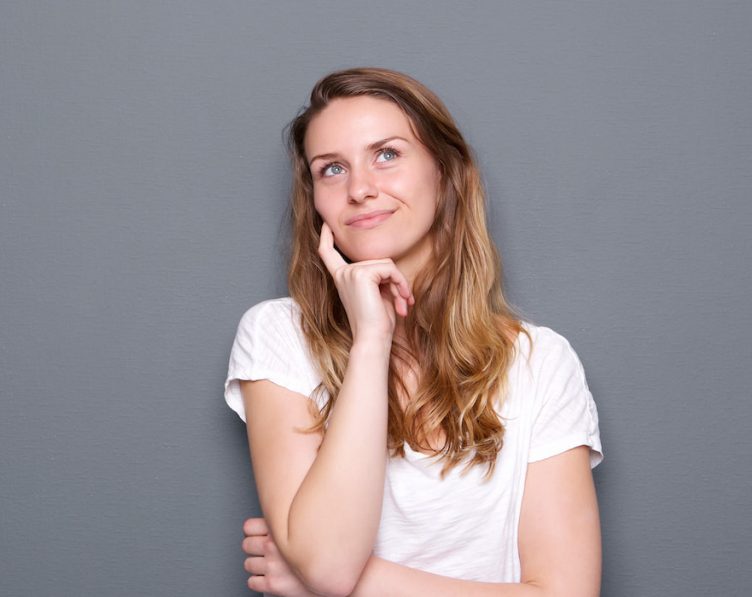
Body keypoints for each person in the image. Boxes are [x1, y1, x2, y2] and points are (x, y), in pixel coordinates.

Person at [223, 67, 603, 597]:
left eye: (387, 155)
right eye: (331, 169)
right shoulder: (279, 335)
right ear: (314, 201)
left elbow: (567, 595)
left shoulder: (541, 362)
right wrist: (371, 342)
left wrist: (345, 580)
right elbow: (329, 563)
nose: (360, 188)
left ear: (445, 173)